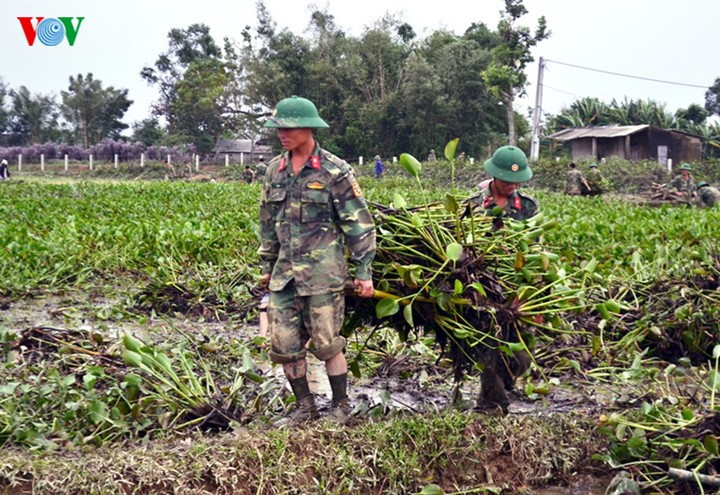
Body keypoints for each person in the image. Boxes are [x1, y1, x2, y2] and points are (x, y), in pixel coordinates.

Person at [259, 95, 376, 426]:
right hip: (285, 275)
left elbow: (359, 224)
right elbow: (268, 224)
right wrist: (267, 269)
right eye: (278, 128)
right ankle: (304, 406)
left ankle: (340, 406)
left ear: (309, 128)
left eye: (289, 128)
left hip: (323, 275)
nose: (282, 134)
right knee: (284, 344)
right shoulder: (274, 171)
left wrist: (363, 272)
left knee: (327, 343)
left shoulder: (334, 171)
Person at [467, 145, 538, 414]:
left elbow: (534, 251)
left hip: (515, 286)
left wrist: (530, 293)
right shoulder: (474, 204)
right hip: (481, 284)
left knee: (520, 357)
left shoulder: (528, 207)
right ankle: (491, 403)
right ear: (494, 176)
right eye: (507, 180)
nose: (512, 186)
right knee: (488, 345)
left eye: (517, 181)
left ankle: (504, 385)